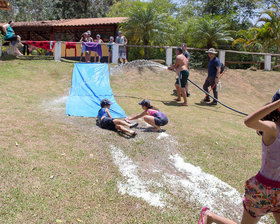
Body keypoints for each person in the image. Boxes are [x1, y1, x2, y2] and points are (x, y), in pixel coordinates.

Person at [198, 89, 280, 224]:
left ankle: (211, 216)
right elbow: (249, 122)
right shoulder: (272, 128)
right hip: (262, 191)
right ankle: (210, 216)